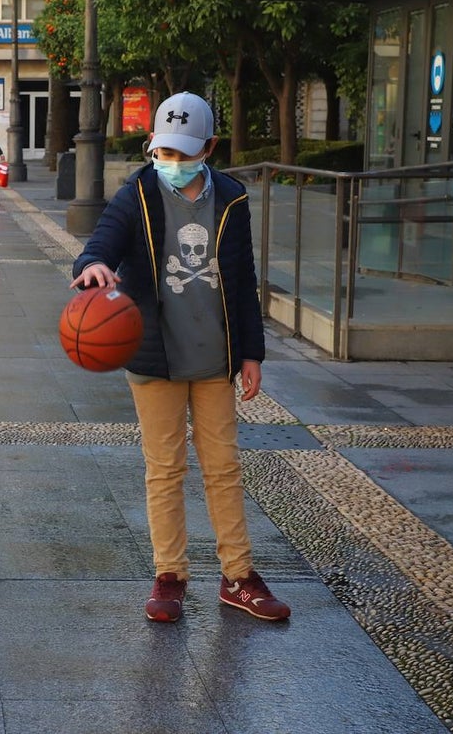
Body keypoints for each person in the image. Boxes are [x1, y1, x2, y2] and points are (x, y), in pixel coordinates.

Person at [69, 92, 290, 624]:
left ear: (209, 147)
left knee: (224, 468)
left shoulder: (231, 198)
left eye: (184, 153)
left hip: (215, 357)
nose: (172, 161)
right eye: (164, 151)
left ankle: (238, 576)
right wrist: (92, 265)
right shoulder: (138, 192)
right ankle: (169, 575)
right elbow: (99, 243)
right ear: (152, 143)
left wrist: (252, 352)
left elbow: (242, 279)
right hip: (155, 357)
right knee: (165, 470)